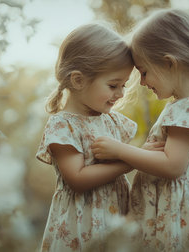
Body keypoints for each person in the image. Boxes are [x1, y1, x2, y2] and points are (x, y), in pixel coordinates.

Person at [91, 9, 189, 251]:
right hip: (169, 211)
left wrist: (121, 151)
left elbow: (173, 166)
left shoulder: (188, 107)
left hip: (175, 215)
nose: (142, 82)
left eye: (143, 72)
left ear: (169, 63)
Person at [35, 23, 137, 251]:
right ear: (78, 80)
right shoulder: (64, 125)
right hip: (81, 225)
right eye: (113, 85)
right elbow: (78, 179)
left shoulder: (112, 121)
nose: (120, 94)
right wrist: (128, 162)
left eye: (123, 85)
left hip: (115, 218)